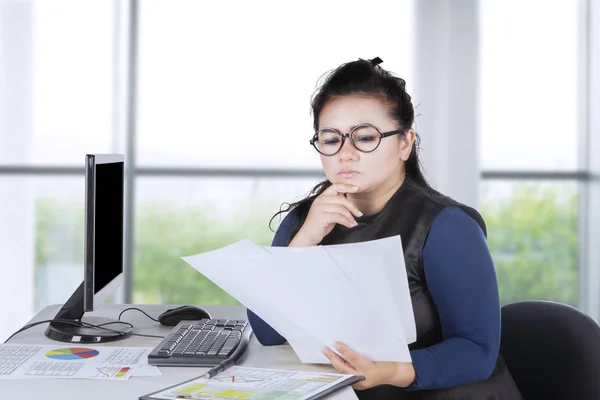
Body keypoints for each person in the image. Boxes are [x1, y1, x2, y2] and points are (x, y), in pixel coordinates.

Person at [247, 57, 523, 399]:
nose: (345, 154)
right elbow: (267, 331)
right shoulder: (305, 220)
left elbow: (477, 352)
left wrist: (387, 371)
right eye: (331, 140)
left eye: (364, 137)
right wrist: (306, 239)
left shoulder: (447, 227)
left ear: (405, 143)